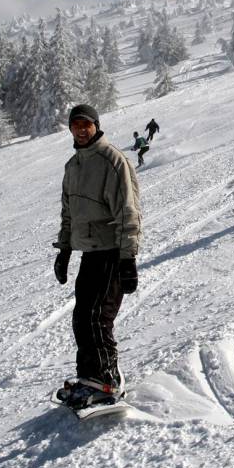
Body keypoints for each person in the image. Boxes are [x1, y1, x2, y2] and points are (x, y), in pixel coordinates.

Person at [52, 104, 142, 408]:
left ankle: (108, 381)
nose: (80, 129)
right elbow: (68, 214)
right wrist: (64, 250)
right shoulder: (72, 166)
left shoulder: (112, 161)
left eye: (85, 124)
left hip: (111, 253)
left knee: (98, 318)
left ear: (96, 125)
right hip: (89, 253)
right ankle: (89, 377)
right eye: (75, 124)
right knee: (82, 319)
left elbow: (129, 212)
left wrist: (128, 259)